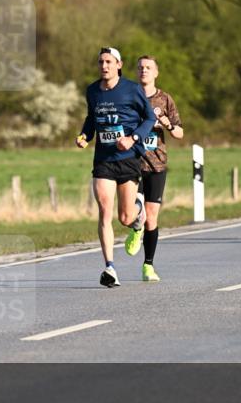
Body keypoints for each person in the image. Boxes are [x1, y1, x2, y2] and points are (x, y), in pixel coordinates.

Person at [76, 47, 156, 287]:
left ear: (119, 65)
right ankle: (109, 267)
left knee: (125, 217)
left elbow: (150, 118)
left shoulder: (132, 89)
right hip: (103, 160)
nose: (104, 66)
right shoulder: (92, 90)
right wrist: (84, 135)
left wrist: (132, 139)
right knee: (104, 211)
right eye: (101, 62)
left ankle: (138, 212)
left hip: (129, 158)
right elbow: (92, 118)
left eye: (109, 62)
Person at [134, 55, 184, 281]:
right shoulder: (129, 96)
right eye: (141, 67)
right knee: (136, 210)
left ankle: (148, 265)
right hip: (132, 162)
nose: (144, 71)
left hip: (157, 163)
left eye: (148, 68)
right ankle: (136, 227)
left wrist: (167, 124)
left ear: (156, 73)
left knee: (152, 216)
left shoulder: (165, 99)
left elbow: (179, 133)